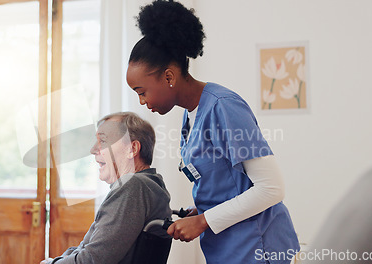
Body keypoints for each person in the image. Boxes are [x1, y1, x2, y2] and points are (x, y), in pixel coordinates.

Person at [126, 1, 300, 263]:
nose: (142, 102)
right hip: (228, 250)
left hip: (260, 248)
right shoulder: (191, 115)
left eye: (142, 92)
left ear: (169, 77)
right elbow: (230, 183)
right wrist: (200, 210)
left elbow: (272, 188)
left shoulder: (223, 106)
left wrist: (204, 221)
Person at [40, 112, 171, 264]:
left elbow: (93, 260)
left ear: (132, 149)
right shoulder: (151, 184)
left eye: (103, 141)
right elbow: (87, 250)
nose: (93, 149)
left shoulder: (133, 186)